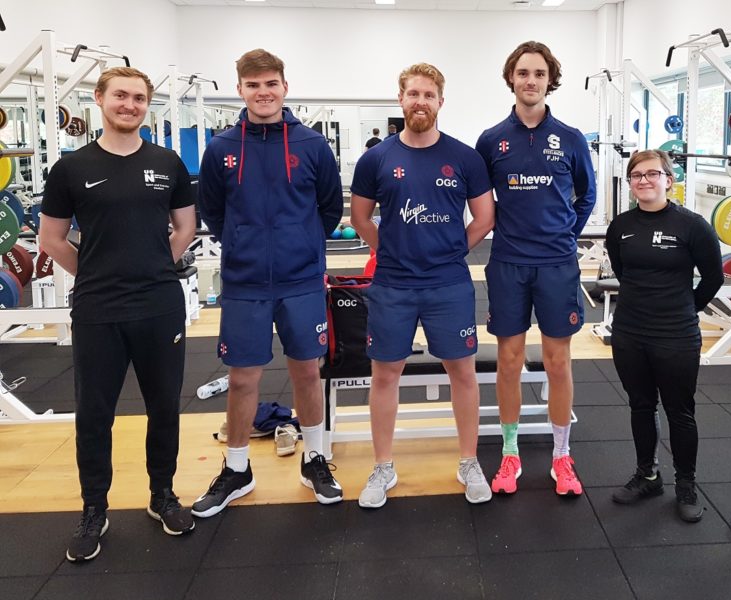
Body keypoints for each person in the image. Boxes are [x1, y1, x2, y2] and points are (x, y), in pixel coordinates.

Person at [39, 66, 197, 562]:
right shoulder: (70, 168)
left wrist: (149, 266)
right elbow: (51, 239)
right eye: (121, 96)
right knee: (94, 414)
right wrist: (95, 272)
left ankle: (162, 495)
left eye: (138, 98)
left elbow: (184, 230)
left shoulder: (167, 162)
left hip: (158, 304)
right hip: (97, 309)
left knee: (165, 407)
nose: (130, 105)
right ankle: (93, 509)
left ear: (146, 105)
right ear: (99, 99)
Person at [192, 49, 344, 517]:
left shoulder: (312, 146)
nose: (263, 93)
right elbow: (213, 213)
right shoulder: (220, 148)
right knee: (242, 379)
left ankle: (315, 458)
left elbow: (330, 209)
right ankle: (237, 469)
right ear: (240, 89)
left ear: (284, 86)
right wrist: (245, 243)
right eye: (253, 85)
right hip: (245, 283)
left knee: (306, 372)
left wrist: (299, 245)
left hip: (300, 281)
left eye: (270, 83)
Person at [349, 63, 496, 508]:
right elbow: (359, 217)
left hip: (447, 283)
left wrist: (453, 252)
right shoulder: (376, 159)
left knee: (462, 373)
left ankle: (469, 461)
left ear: (440, 102)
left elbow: (485, 217)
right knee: (385, 374)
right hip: (392, 284)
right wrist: (389, 250)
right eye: (413, 94)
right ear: (401, 99)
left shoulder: (466, 157)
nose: (420, 102)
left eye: (429, 95)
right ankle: (383, 467)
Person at [476, 41, 595, 496]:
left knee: (557, 361)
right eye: (522, 73)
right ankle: (510, 454)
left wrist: (566, 232)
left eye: (539, 73)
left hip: (556, 263)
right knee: (508, 360)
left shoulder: (569, 138)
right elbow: (478, 199)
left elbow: (586, 195)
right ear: (512, 79)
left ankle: (562, 456)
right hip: (507, 261)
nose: (530, 80)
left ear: (550, 80)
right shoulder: (491, 140)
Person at [605, 149, 723, 521]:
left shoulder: (692, 225)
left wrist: (685, 307)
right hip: (629, 331)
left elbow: (714, 277)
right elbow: (623, 270)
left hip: (676, 334)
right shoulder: (621, 226)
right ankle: (647, 474)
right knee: (641, 405)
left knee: (680, 411)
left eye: (652, 174)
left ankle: (685, 483)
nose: (644, 180)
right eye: (636, 175)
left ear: (669, 181)